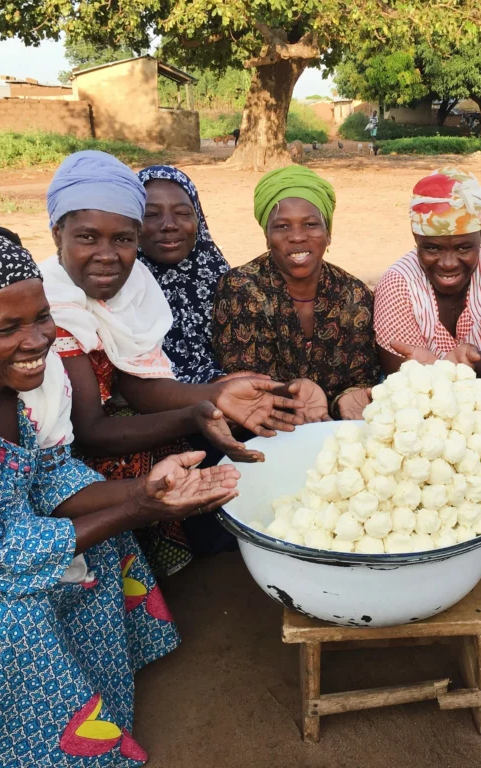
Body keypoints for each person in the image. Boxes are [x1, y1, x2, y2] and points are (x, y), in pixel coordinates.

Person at [0, 226, 239, 766]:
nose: (37, 339)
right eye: (6, 327)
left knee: (103, 546)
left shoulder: (35, 380)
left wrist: (146, 489)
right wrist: (135, 509)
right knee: (10, 624)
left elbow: (48, 477)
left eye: (42, 316)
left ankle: (90, 705)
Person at [41, 151, 303, 575]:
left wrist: (213, 395)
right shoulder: (51, 308)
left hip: (118, 423)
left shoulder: (132, 288)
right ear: (58, 233)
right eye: (88, 237)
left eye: (122, 239)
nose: (108, 254)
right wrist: (197, 415)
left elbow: (139, 380)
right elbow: (91, 432)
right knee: (189, 457)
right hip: (60, 457)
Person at [211, 164, 381, 420]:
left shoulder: (353, 295)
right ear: (267, 236)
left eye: (311, 224)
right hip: (265, 430)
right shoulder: (240, 289)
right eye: (282, 227)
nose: (297, 237)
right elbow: (246, 384)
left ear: (328, 234)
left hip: (339, 432)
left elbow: (359, 380)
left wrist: (341, 403)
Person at [373, 167, 481, 391]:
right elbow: (404, 389)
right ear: (416, 239)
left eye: (463, 247)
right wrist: (441, 375)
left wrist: (473, 363)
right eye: (432, 248)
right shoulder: (397, 284)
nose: (448, 263)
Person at [137, 165, 230, 385]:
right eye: (150, 214)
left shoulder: (225, 283)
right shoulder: (117, 291)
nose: (169, 225)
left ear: (198, 219)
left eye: (182, 213)